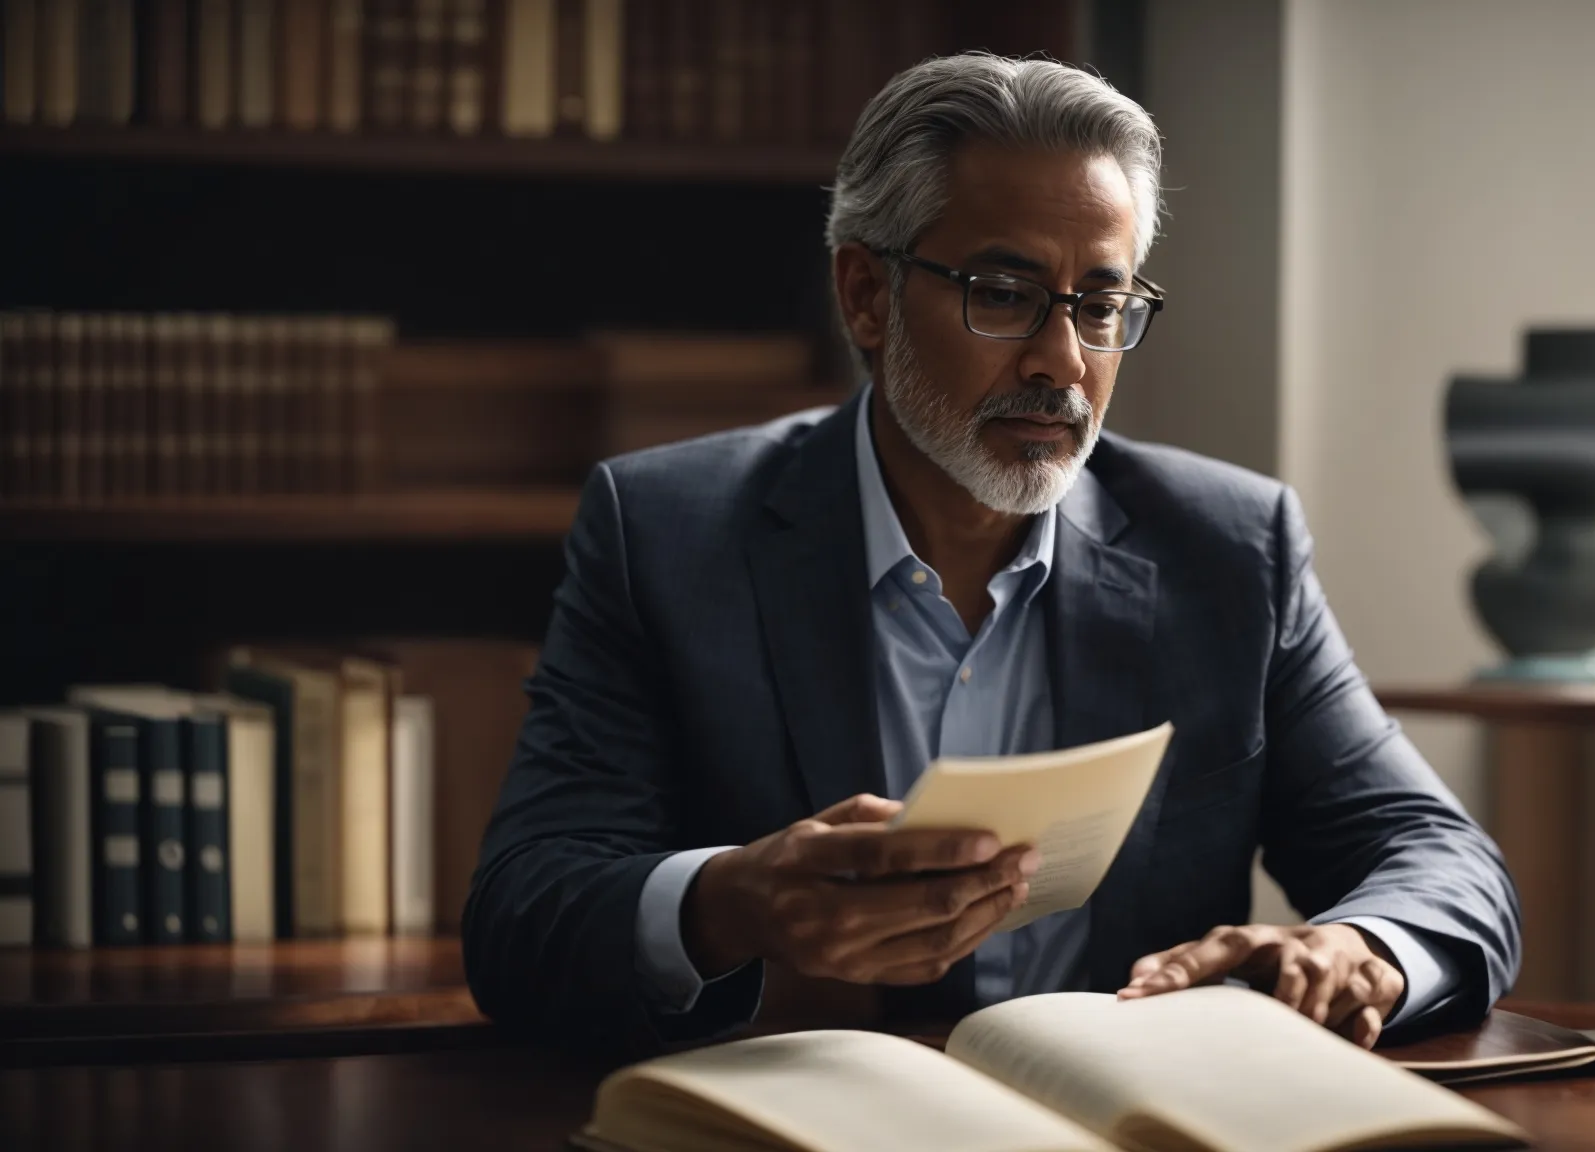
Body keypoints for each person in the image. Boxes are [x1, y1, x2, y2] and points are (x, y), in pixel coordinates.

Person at [464, 53, 1520, 1059]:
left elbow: (1436, 859)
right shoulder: (669, 533)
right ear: (866, 297)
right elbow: (524, 911)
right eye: (1004, 295)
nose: (1063, 362)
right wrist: (731, 902)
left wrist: (1356, 949)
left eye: (1101, 306)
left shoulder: (1230, 547)